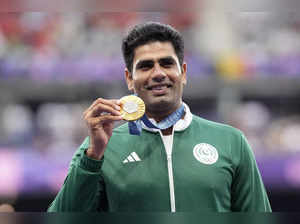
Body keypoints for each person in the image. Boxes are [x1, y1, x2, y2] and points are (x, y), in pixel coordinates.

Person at [48, 22, 271, 212]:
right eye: (145, 66)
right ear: (129, 78)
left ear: (183, 73)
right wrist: (93, 156)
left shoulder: (231, 141)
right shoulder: (100, 147)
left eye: (166, 63)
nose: (158, 74)